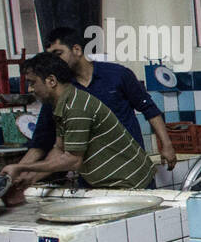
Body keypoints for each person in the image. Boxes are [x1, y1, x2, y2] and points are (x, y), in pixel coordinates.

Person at [15, 26, 177, 184]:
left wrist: (167, 145)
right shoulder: (60, 92)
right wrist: (21, 175)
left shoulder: (117, 75)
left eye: (58, 54)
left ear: (77, 50)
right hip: (92, 175)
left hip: (128, 169)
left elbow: (149, 109)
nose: (53, 61)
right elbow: (44, 142)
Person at [2, 54, 156, 192]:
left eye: (32, 82)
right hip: (111, 183)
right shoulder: (63, 104)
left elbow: (72, 160)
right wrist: (32, 177)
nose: (30, 89)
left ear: (51, 81)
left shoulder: (76, 107)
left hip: (132, 183)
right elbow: (59, 149)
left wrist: (21, 167)